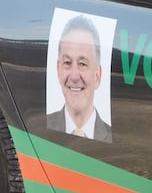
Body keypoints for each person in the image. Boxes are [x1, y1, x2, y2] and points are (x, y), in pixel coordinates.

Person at [47, 14, 113, 142]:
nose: (74, 76)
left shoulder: (112, 137)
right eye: (67, 63)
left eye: (82, 64)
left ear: (97, 76)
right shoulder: (37, 128)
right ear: (58, 70)